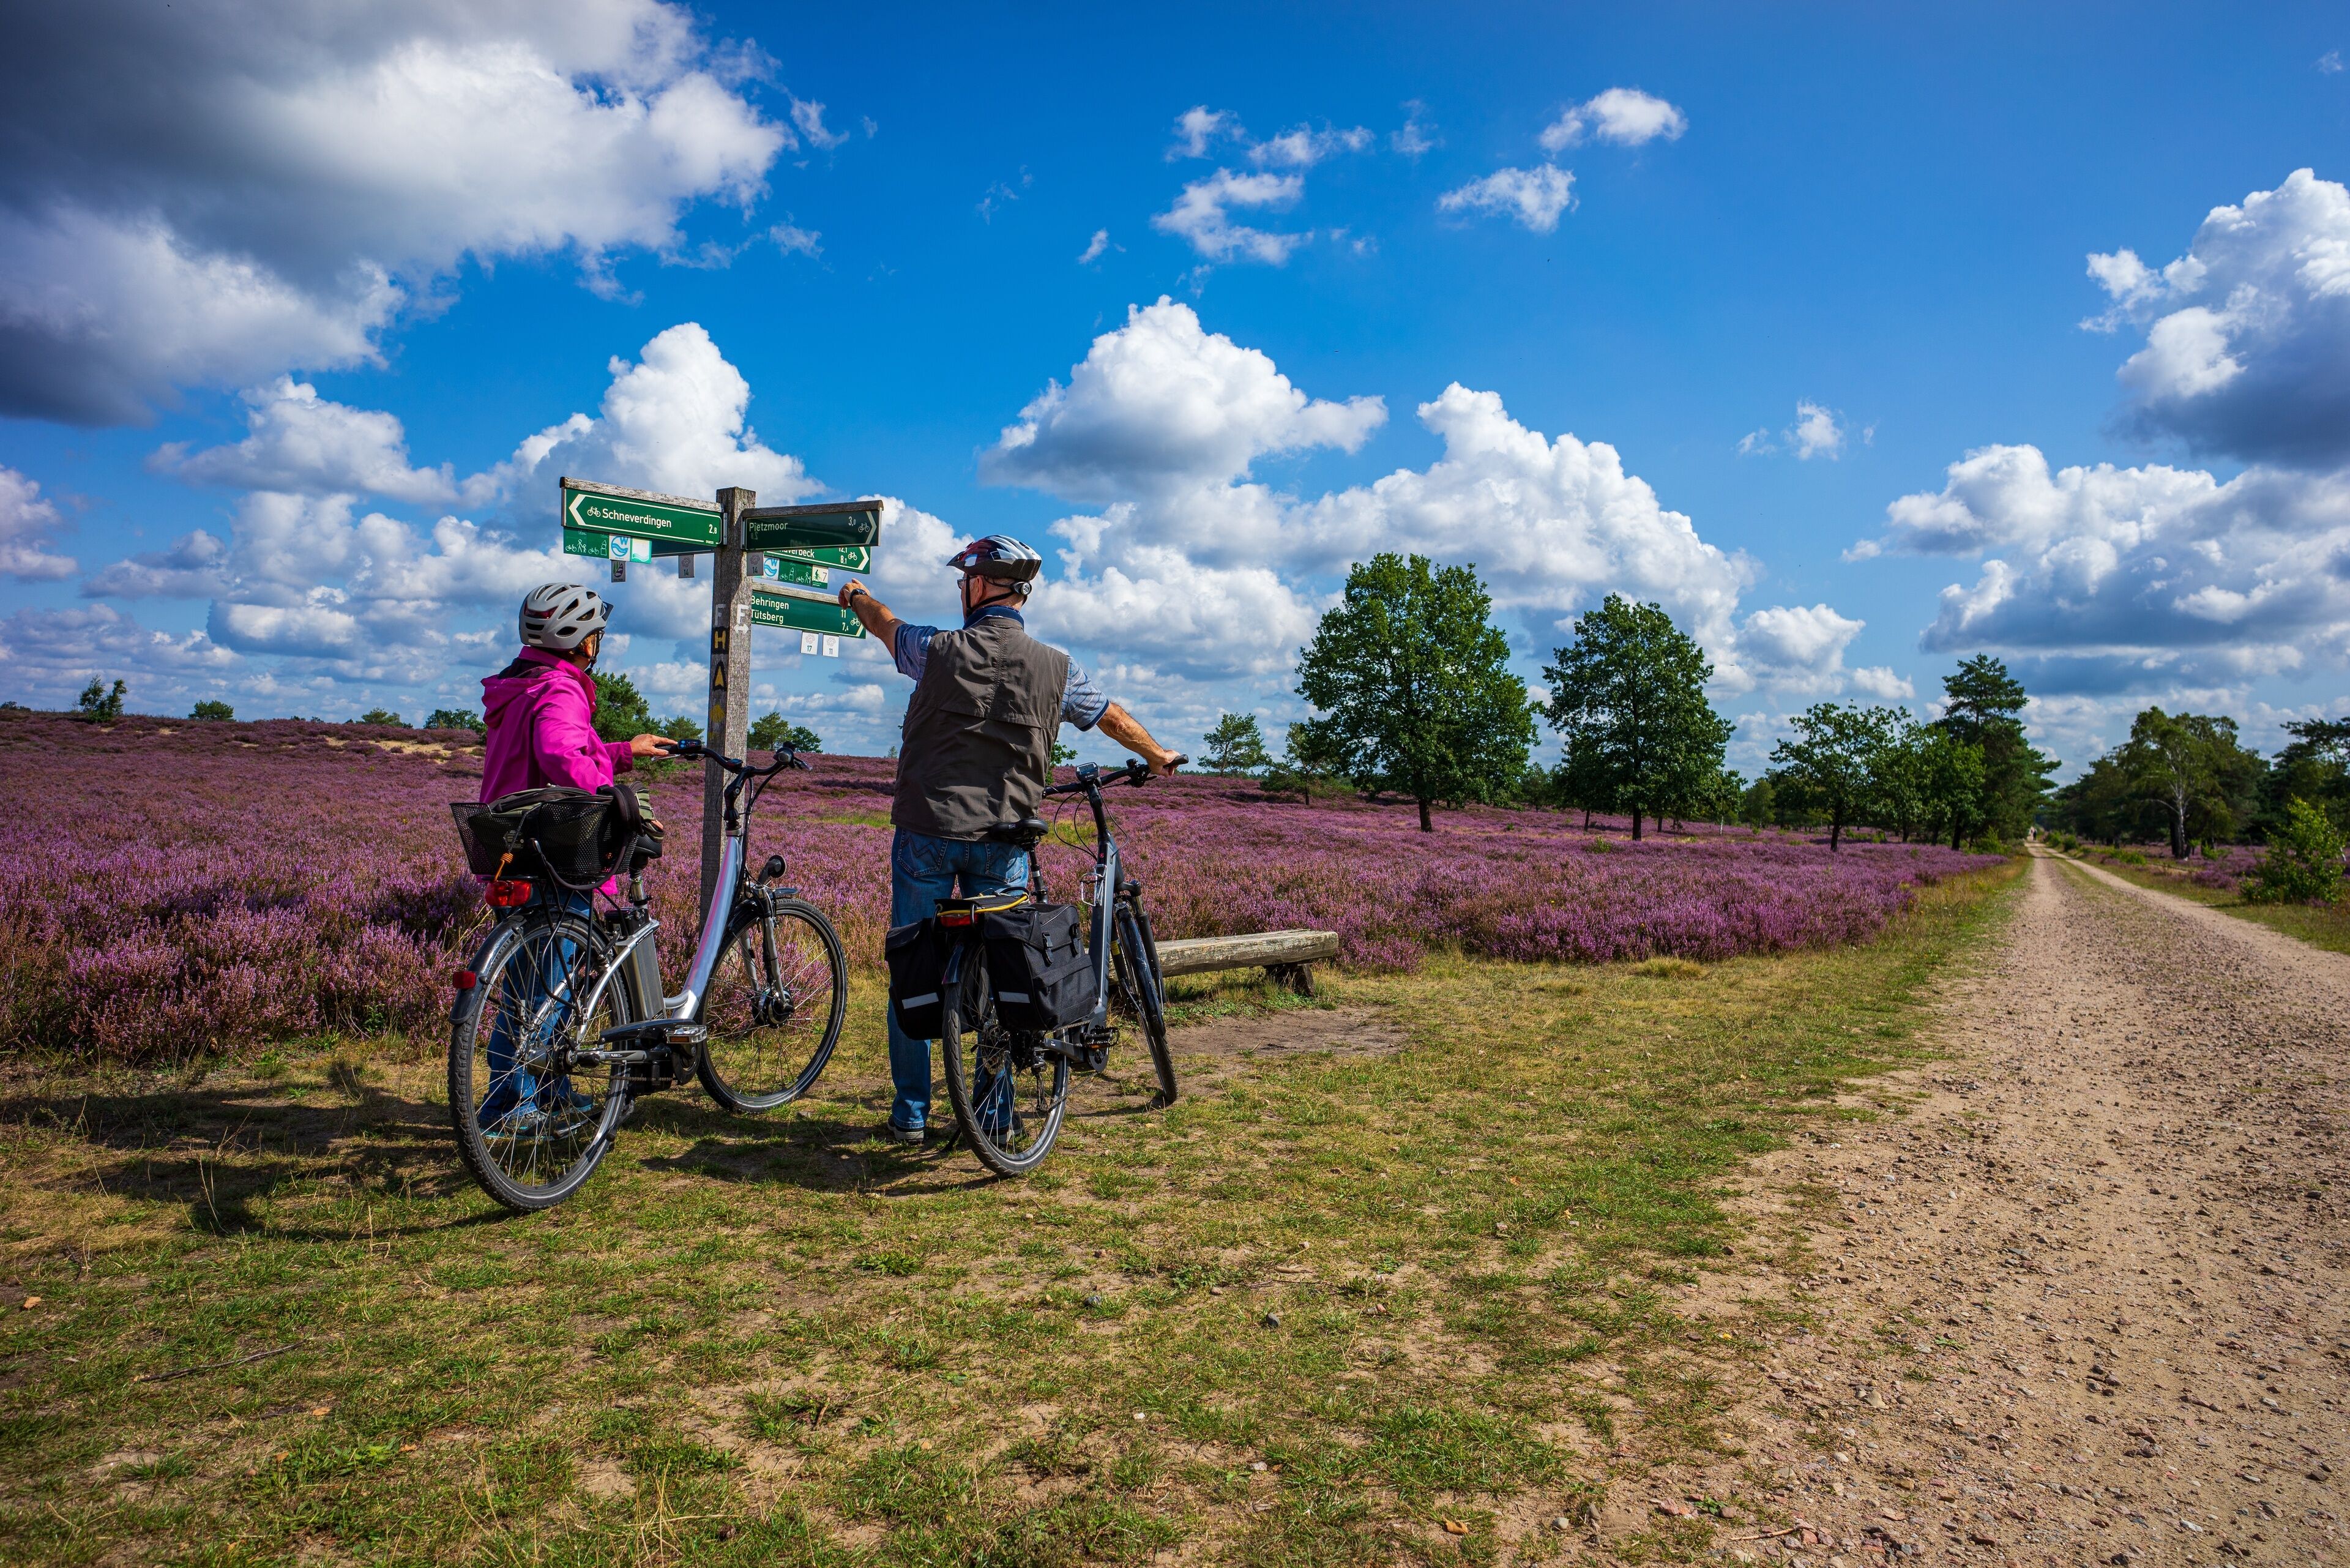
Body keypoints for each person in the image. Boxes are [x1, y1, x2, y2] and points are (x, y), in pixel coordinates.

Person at [838, 536, 1182, 1144]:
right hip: (1004, 837)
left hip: (928, 830)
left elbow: (885, 625)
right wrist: (1156, 754)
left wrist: (857, 595)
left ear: (978, 587)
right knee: (1004, 967)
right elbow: (1109, 715)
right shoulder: (1059, 668)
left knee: (913, 966)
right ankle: (994, 1115)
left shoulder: (936, 649)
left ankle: (911, 1114)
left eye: (962, 584)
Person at [471, 583, 674, 1131]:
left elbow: (555, 750)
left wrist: (625, 752)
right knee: (550, 990)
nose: (598, 643)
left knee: (526, 988)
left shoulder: (522, 684)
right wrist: (619, 801)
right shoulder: (560, 687)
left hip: (512, 847)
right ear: (582, 641)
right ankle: (515, 1106)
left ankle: (546, 1093)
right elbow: (559, 753)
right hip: (556, 850)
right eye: (596, 635)